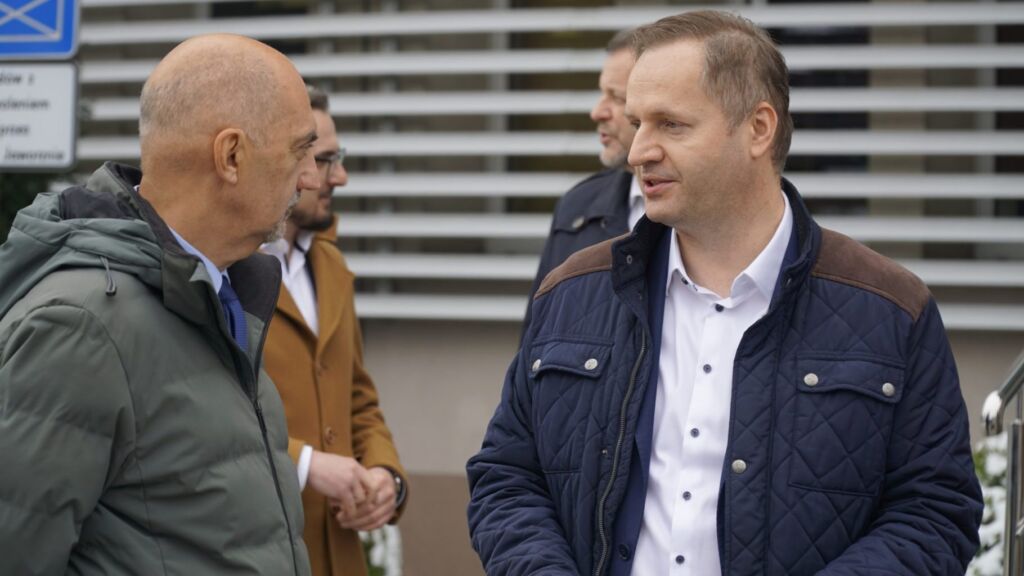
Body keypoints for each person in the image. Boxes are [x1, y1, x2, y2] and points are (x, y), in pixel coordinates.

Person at [468, 11, 982, 576]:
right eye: (637, 123)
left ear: (758, 128)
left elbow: (933, 514)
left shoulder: (890, 309)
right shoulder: (572, 293)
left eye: (671, 124)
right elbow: (507, 477)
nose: (638, 151)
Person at [0, 34, 318, 575]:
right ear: (231, 156)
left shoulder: (219, 296)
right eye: (299, 150)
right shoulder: (81, 327)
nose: (309, 176)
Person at [262, 85, 408, 576]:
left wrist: (387, 477)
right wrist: (305, 464)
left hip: (339, 556)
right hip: (265, 552)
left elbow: (358, 400)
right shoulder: (219, 273)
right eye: (326, 160)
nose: (339, 177)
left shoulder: (331, 266)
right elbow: (206, 420)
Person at [530, 29, 641, 297]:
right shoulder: (577, 208)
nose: (596, 112)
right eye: (602, 93)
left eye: (617, 97)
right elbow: (542, 319)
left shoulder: (700, 216)